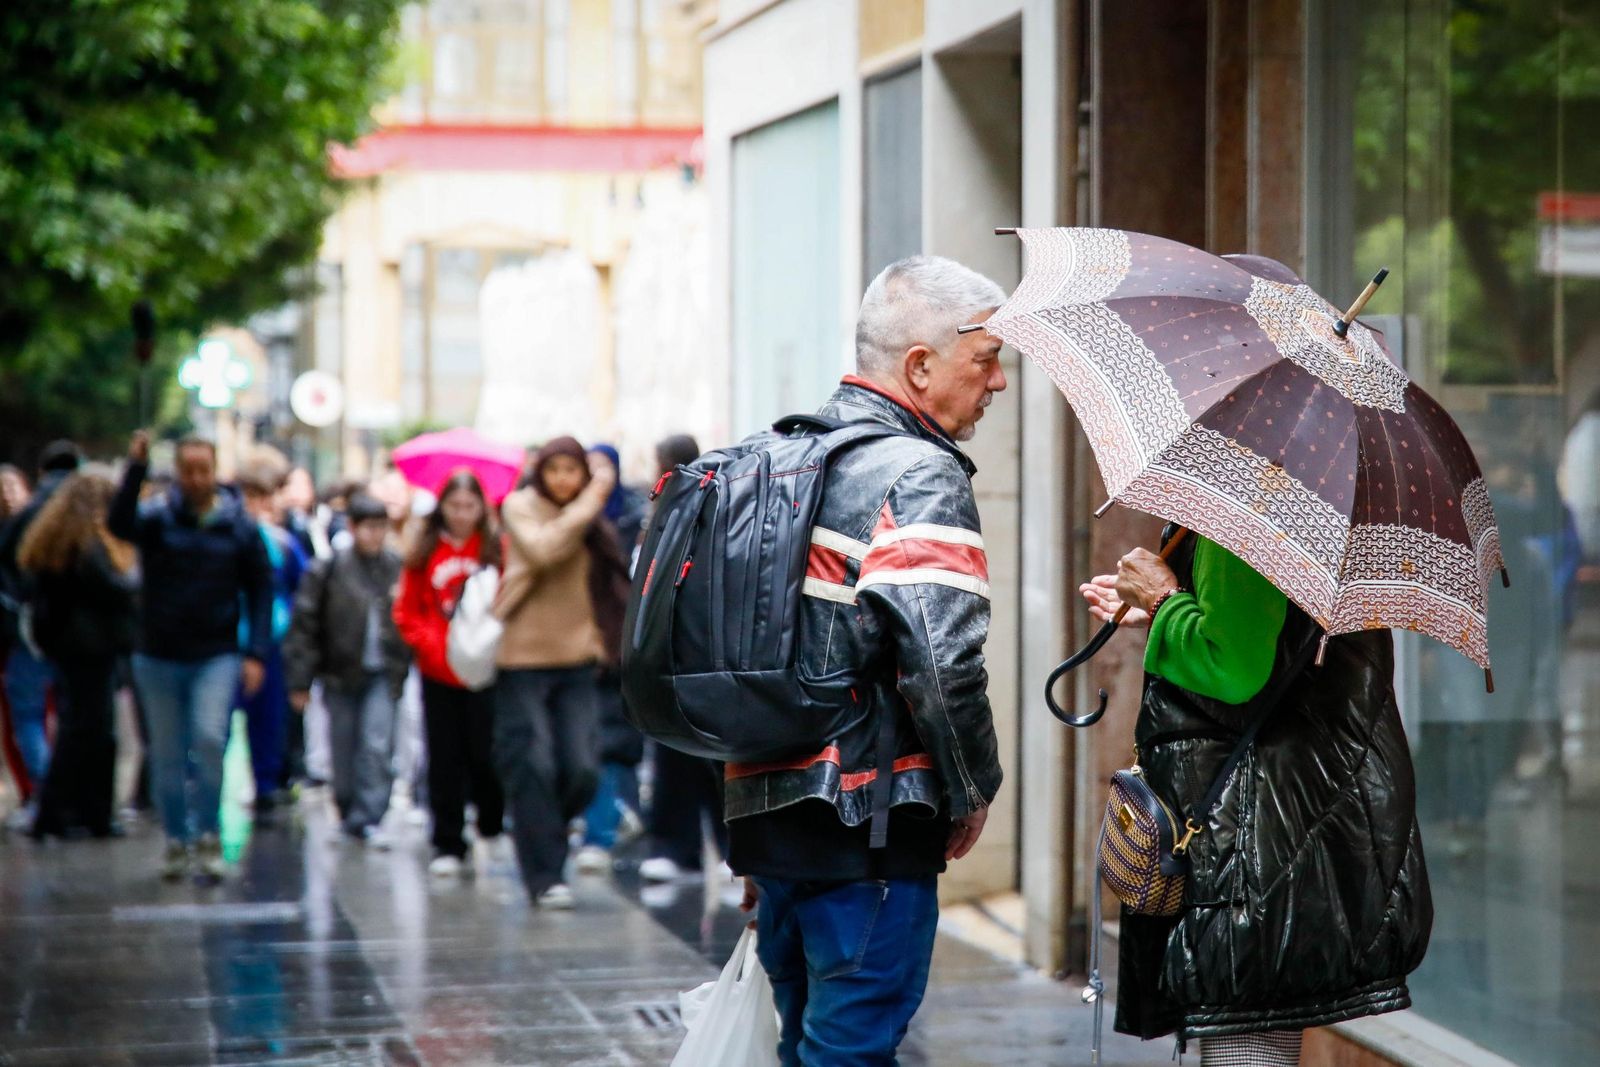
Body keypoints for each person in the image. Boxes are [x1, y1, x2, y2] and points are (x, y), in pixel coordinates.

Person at [731, 256, 1007, 1066]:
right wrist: (971, 786)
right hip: (868, 830)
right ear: (920, 365)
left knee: (804, 1042)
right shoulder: (918, 474)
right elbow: (945, 659)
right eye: (985, 360)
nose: (996, 384)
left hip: (769, 817)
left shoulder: (772, 455)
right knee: (849, 1050)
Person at [1080, 534, 1432, 1064]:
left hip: (1254, 835)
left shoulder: (1248, 521)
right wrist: (1168, 614)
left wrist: (1161, 601)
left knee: (1246, 1033)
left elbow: (1235, 669)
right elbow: (1270, 639)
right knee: (1263, 1019)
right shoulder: (1298, 510)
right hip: (1290, 820)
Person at [111, 432, 273, 884]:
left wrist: (255, 651)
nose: (197, 479)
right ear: (178, 472)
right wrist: (135, 470)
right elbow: (119, 524)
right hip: (158, 654)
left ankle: (208, 833)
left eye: (204, 470)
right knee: (165, 752)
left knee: (207, 739)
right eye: (188, 470)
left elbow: (261, 587)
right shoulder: (157, 520)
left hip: (215, 654)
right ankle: (177, 839)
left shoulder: (239, 526)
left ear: (215, 470)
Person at [492, 438, 626, 908]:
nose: (565, 479)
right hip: (522, 660)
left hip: (577, 659)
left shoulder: (591, 522)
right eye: (556, 470)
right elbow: (545, 550)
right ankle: (545, 875)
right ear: (541, 472)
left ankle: (540, 824)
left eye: (574, 470)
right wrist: (595, 495)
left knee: (583, 769)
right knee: (535, 767)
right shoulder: (519, 506)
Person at [392, 470, 506, 878]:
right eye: (453, 506)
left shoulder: (494, 549)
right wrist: (432, 644)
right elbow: (406, 610)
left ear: (482, 508)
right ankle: (448, 841)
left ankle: (491, 823)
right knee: (443, 756)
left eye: (469, 506)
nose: (461, 514)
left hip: (484, 668)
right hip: (438, 670)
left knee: (485, 753)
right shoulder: (424, 550)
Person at [17, 473, 138, 839]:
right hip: (92, 649)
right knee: (92, 733)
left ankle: (66, 812)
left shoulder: (60, 540)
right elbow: (115, 589)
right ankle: (80, 813)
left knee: (78, 730)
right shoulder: (89, 546)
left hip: (69, 648)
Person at [285, 493, 409, 845]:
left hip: (384, 670)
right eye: (368, 527)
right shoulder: (328, 569)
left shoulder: (395, 567)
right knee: (342, 745)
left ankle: (370, 814)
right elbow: (305, 625)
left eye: (380, 527)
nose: (375, 535)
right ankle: (348, 808)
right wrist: (301, 679)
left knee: (376, 743)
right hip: (340, 671)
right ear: (353, 528)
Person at [637, 433, 730, 885]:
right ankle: (704, 853)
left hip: (684, 659)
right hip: (689, 660)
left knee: (695, 759)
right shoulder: (681, 512)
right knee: (700, 759)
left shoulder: (676, 514)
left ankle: (694, 852)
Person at [574, 442, 648, 874]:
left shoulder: (632, 518)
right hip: (578, 643)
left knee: (613, 742)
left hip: (618, 645)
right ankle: (612, 817)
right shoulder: (575, 520)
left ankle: (604, 825)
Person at [0, 441, 82, 824]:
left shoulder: (27, 517)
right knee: (74, 717)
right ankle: (70, 799)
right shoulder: (90, 514)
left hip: (30, 632)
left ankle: (49, 797)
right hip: (82, 636)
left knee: (29, 715)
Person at [238, 461, 308, 822]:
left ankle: (266, 784)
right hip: (228, 639)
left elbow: (302, 588)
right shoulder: (229, 535)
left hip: (270, 643)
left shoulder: (281, 542)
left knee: (268, 720)